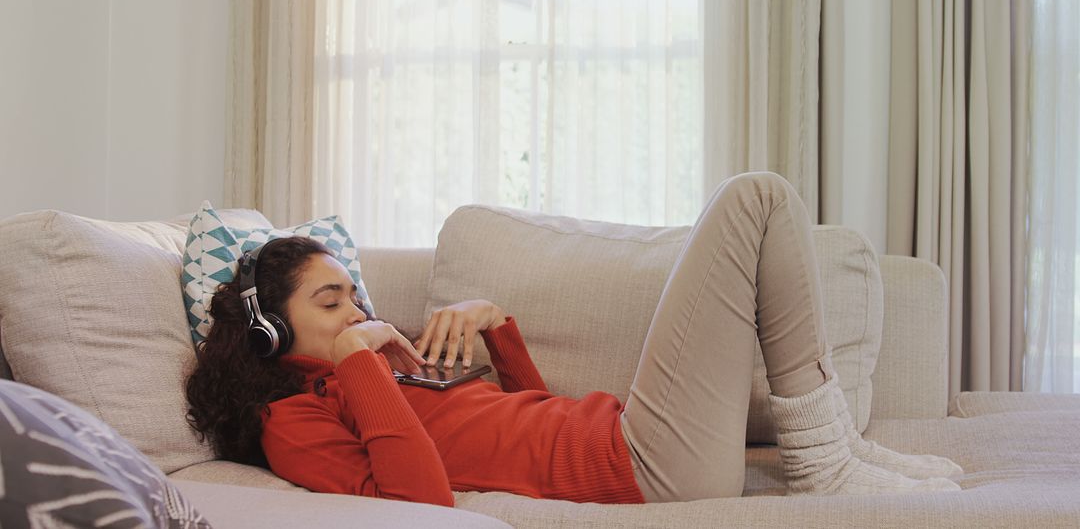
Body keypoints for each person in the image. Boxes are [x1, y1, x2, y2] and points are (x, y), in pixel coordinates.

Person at [185, 172, 964, 505]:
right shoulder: (294, 423)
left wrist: (498, 331)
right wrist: (365, 368)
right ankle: (825, 459)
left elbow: (532, 421)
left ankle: (837, 453)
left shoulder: (379, 368)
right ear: (269, 332)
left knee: (767, 201)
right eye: (332, 303)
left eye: (354, 295)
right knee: (753, 200)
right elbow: (421, 499)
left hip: (628, 438)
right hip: (643, 464)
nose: (357, 312)